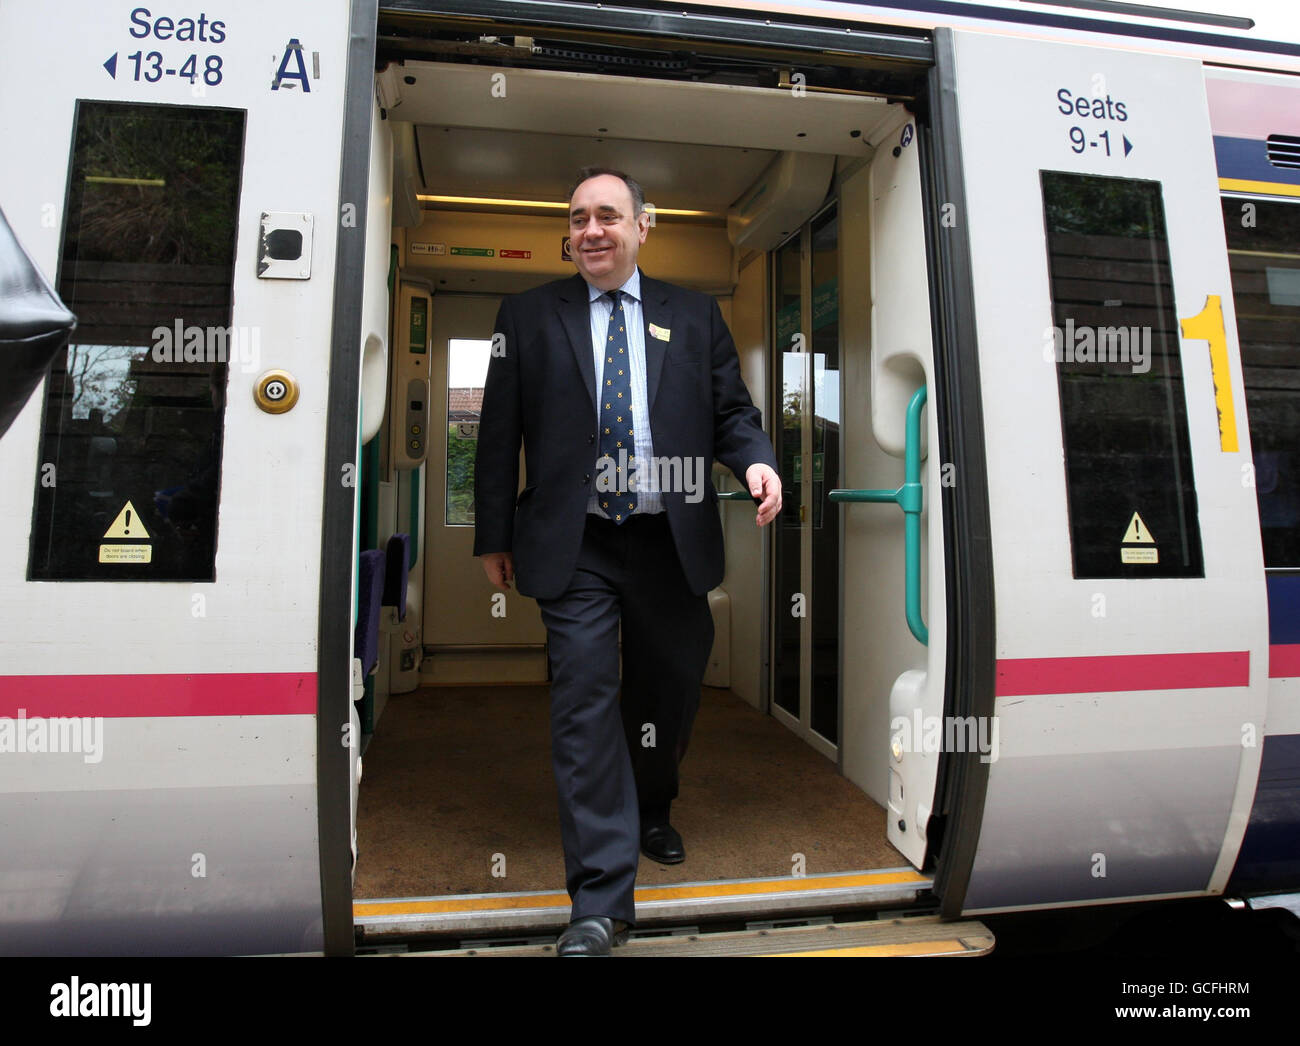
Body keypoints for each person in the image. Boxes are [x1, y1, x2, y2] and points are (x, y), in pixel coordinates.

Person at [474, 167, 781, 956]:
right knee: (583, 697)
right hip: (575, 543)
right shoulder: (530, 314)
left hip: (667, 541)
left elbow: (730, 411)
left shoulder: (695, 314)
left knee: (667, 692)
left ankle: (652, 804)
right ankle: (599, 904)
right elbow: (497, 433)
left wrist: (754, 460)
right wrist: (491, 535)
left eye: (608, 215)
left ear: (645, 226)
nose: (591, 230)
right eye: (577, 218)